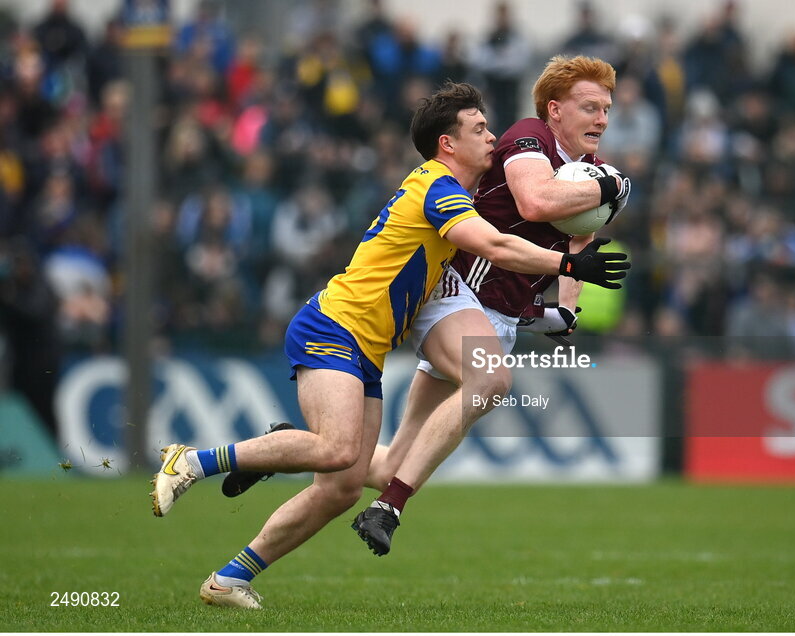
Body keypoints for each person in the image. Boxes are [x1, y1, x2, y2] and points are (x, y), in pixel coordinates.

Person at [149, 82, 630, 609]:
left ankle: (230, 577)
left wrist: (546, 307)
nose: (492, 137)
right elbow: (492, 244)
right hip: (333, 327)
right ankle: (193, 460)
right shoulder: (438, 186)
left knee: (345, 484)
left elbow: (492, 261)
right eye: (479, 129)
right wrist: (568, 264)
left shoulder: (462, 192)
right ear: (448, 144)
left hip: (368, 348)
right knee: (337, 448)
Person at [349, 55, 630, 556]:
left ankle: (290, 450)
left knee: (390, 461)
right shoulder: (529, 138)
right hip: (459, 294)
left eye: (606, 109)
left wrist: (566, 308)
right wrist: (610, 186)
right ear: (554, 110)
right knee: (493, 380)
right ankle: (389, 507)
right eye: (590, 107)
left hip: (497, 313)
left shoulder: (586, 171)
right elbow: (534, 203)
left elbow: (580, 243)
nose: (602, 119)